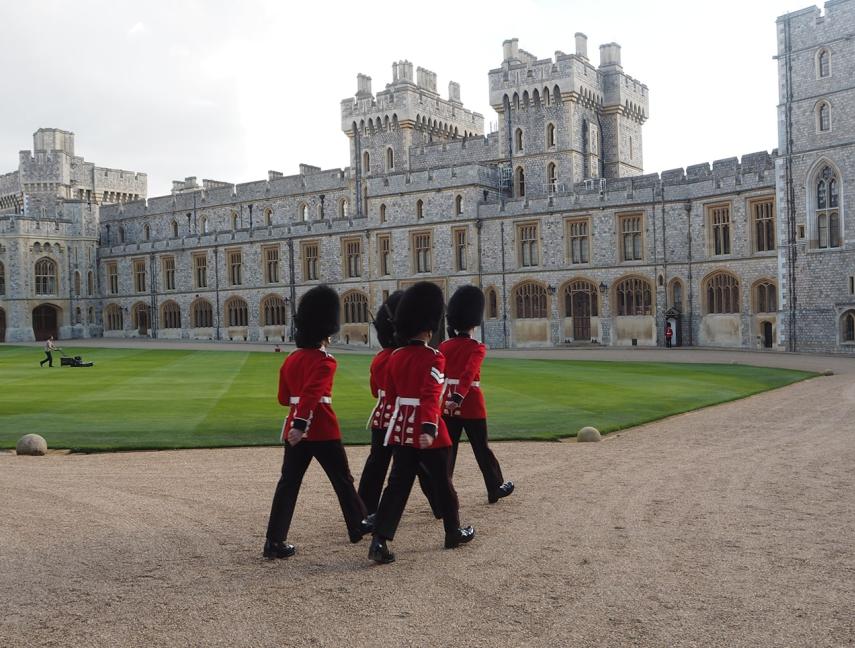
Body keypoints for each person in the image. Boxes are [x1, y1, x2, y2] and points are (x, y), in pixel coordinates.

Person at [368, 282, 475, 564]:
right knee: (443, 483)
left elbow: (390, 394)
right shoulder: (434, 357)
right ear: (429, 328)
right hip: (427, 429)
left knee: (397, 486)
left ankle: (379, 541)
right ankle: (453, 532)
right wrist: (428, 427)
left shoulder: (396, 357)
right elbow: (430, 396)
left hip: (400, 428)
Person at [263, 285, 370, 560]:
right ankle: (358, 525)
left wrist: (296, 422)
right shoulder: (325, 361)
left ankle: (274, 541)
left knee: (288, 483)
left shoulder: (290, 360)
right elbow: (313, 393)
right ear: (326, 330)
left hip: (295, 428)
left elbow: (283, 397)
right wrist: (302, 423)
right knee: (342, 480)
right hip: (321, 428)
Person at [441, 285, 514, 504]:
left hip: (446, 402)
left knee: (448, 452)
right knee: (482, 448)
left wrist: (450, 399)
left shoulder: (444, 346)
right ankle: (494, 487)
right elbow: (469, 374)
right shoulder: (476, 347)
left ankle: (442, 494)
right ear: (474, 322)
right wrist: (459, 398)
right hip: (470, 402)